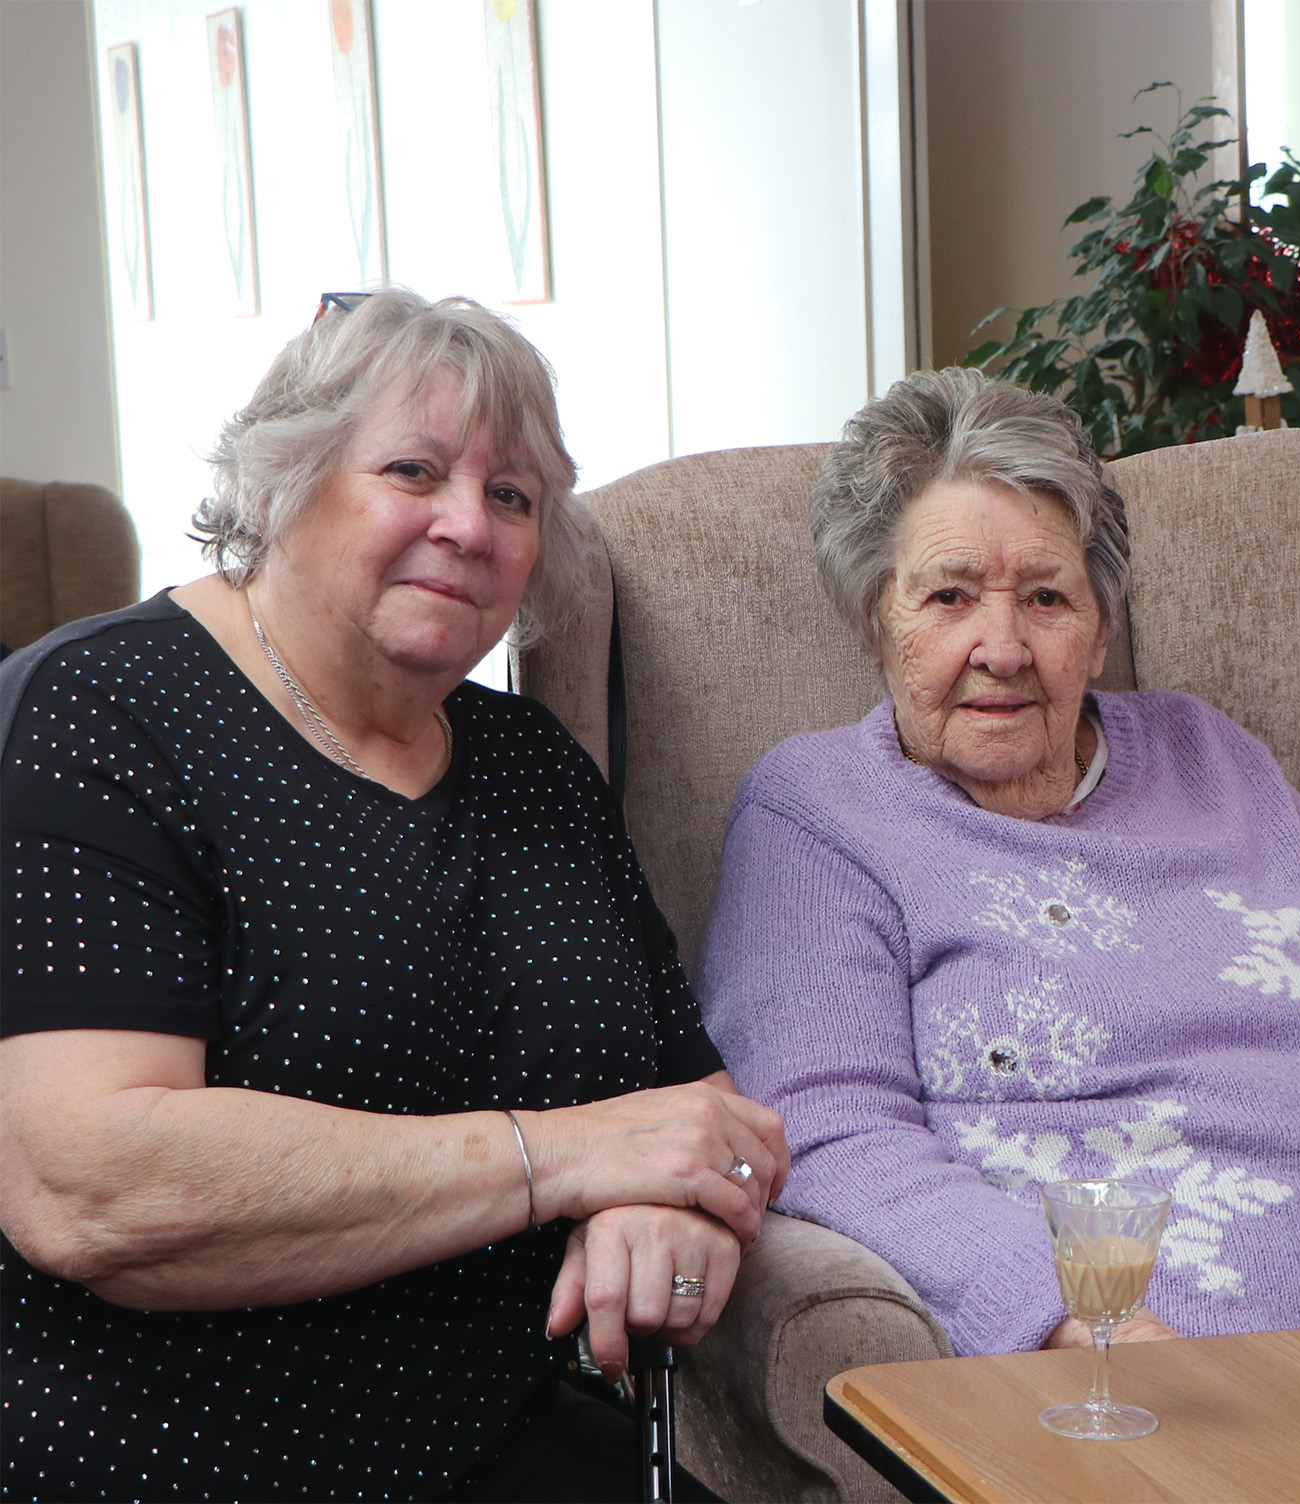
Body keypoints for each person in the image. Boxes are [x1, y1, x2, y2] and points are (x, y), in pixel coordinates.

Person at [0, 288, 787, 1504]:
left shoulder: (531, 763)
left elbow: (695, 1109)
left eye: (512, 496)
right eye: (414, 471)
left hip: (500, 1431)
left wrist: (684, 1207)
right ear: (287, 482)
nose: (468, 525)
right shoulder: (106, 715)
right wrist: (566, 1156)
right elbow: (88, 1184)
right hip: (175, 1452)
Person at [698, 367, 1300, 1359]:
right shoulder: (820, 812)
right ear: (876, 621)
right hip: (1126, 1389)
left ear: (1101, 622)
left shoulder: (1209, 757)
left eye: (1046, 597)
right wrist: (1073, 1316)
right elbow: (834, 1133)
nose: (1002, 646)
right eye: (948, 597)